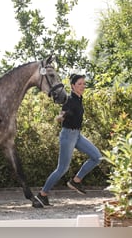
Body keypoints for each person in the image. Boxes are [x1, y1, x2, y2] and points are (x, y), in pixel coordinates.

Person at [35, 73, 102, 207]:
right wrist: (61, 117)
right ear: (72, 86)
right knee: (62, 169)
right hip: (68, 135)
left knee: (97, 157)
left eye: (83, 83)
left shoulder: (79, 98)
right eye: (79, 84)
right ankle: (41, 195)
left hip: (77, 135)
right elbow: (61, 115)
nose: (83, 86)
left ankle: (76, 181)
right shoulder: (70, 99)